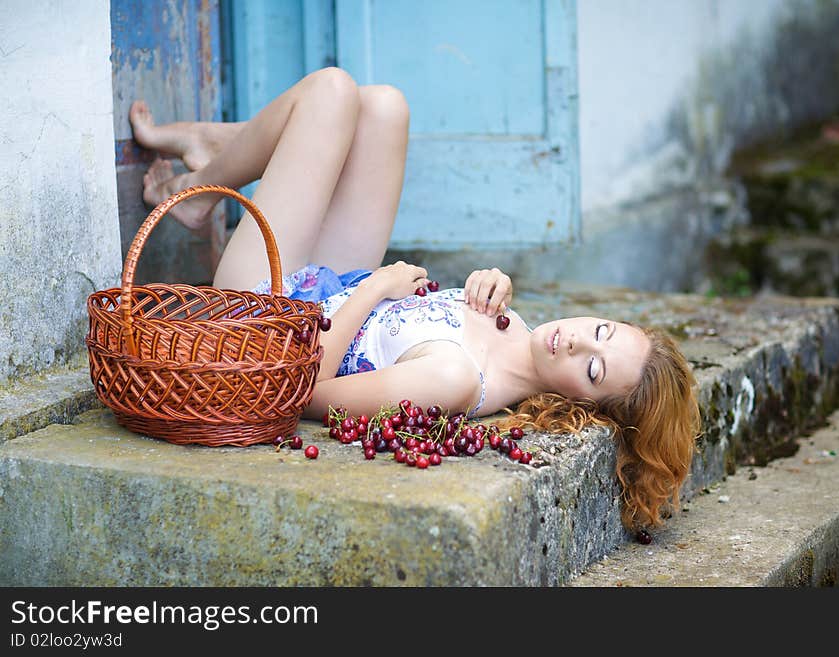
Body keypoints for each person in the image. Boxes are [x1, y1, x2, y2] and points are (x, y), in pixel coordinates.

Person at [130, 67, 701, 534]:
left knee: (330, 90)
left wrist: (380, 284)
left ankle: (197, 189)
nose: (575, 340)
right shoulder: (512, 320)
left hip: (268, 319)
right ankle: (221, 150)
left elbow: (299, 390)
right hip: (334, 284)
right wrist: (468, 290)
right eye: (599, 332)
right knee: (384, 107)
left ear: (586, 406)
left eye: (593, 369)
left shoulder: (455, 380)